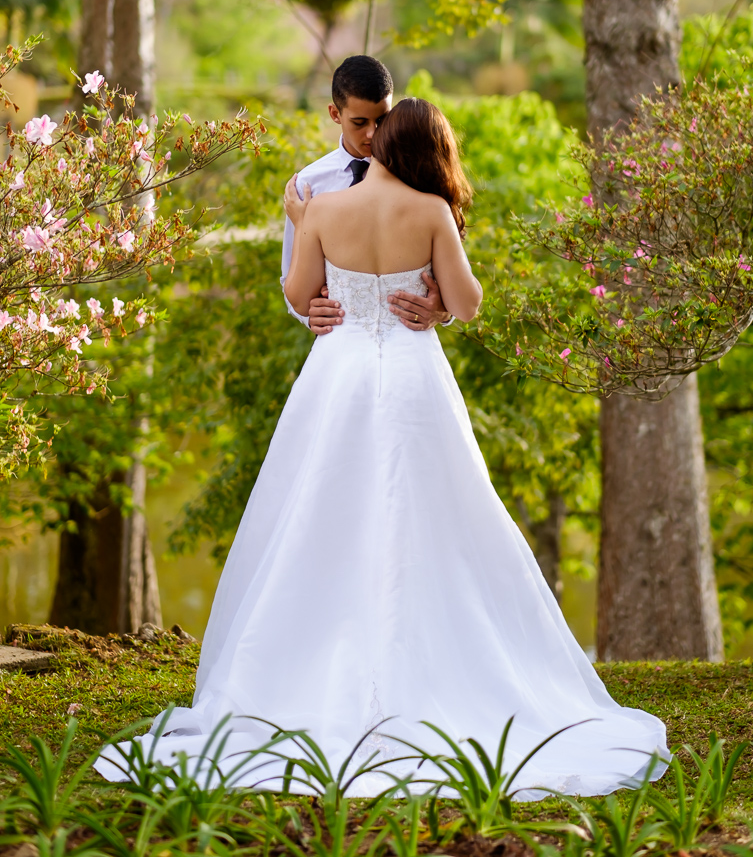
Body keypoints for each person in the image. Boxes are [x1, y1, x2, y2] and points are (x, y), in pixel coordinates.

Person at [96, 96, 668, 799]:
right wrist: (435, 303)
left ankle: (299, 673)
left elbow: (300, 293)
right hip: (410, 378)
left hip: (334, 377)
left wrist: (305, 233)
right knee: (436, 520)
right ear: (429, 152)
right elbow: (467, 303)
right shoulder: (431, 212)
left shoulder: (322, 209)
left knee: (318, 518)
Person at [281, 54, 452, 335]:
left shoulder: (415, 171)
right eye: (359, 122)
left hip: (409, 340)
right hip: (341, 339)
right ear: (335, 114)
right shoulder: (308, 185)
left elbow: (452, 264)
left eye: (382, 119)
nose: (372, 133)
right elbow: (289, 275)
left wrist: (443, 310)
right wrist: (307, 317)